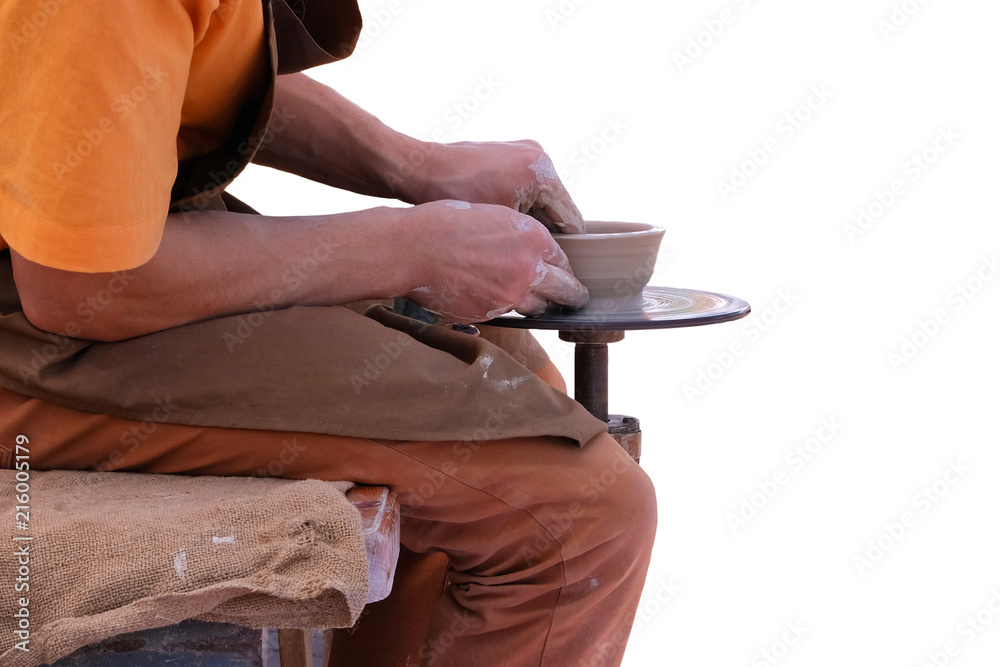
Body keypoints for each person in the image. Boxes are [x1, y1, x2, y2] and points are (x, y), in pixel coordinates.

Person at [0, 1, 656, 665]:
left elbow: (171, 70)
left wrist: (416, 165)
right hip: (42, 321)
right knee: (583, 517)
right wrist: (412, 248)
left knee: (510, 372)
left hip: (88, 255)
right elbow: (78, 288)